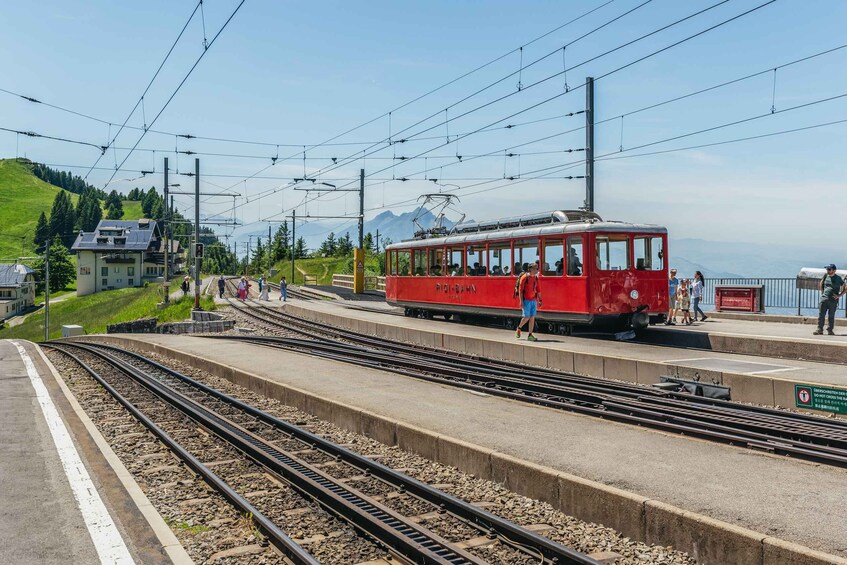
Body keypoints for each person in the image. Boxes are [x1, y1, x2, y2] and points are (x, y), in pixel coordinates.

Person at [515, 262, 542, 341]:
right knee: (526, 317)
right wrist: (521, 301)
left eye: (537, 268)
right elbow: (520, 290)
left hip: (533, 300)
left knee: (532, 317)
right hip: (526, 300)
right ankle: (519, 328)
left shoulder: (536, 278)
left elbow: (538, 289)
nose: (537, 270)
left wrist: (540, 300)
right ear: (530, 269)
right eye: (535, 268)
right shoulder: (524, 278)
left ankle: (530, 334)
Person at [815, 264, 844, 335]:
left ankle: (830, 330)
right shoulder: (825, 276)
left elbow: (845, 286)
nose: (827, 270)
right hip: (824, 299)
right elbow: (821, 283)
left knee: (831, 316)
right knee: (821, 315)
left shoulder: (838, 278)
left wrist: (839, 295)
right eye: (827, 269)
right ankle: (819, 329)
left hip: (833, 300)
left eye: (829, 269)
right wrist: (823, 292)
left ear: (834, 270)